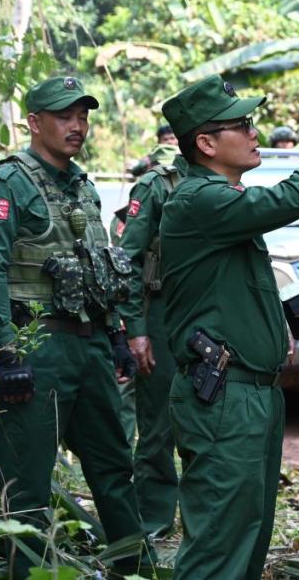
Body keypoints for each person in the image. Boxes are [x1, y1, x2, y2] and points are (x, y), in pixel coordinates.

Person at [160, 74, 299, 579]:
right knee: (218, 546)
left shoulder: (224, 204)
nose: (255, 134)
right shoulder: (200, 200)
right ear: (206, 143)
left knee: (247, 538)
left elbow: (229, 292)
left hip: (251, 392)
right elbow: (291, 199)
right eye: (242, 125)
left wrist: (275, 325)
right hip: (223, 398)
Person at [0, 75, 152, 577]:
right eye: (64, 117)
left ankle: (134, 568)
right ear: (34, 122)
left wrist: (116, 335)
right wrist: (6, 351)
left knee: (115, 468)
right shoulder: (7, 183)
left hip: (92, 344)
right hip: (38, 347)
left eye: (83, 116)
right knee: (27, 481)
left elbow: (98, 266)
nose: (77, 127)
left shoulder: (83, 186)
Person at [114, 142, 188, 536]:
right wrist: (136, 329)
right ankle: (155, 518)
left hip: (212, 315)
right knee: (158, 424)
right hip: (162, 314)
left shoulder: (229, 182)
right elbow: (127, 260)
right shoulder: (157, 186)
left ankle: (201, 517)